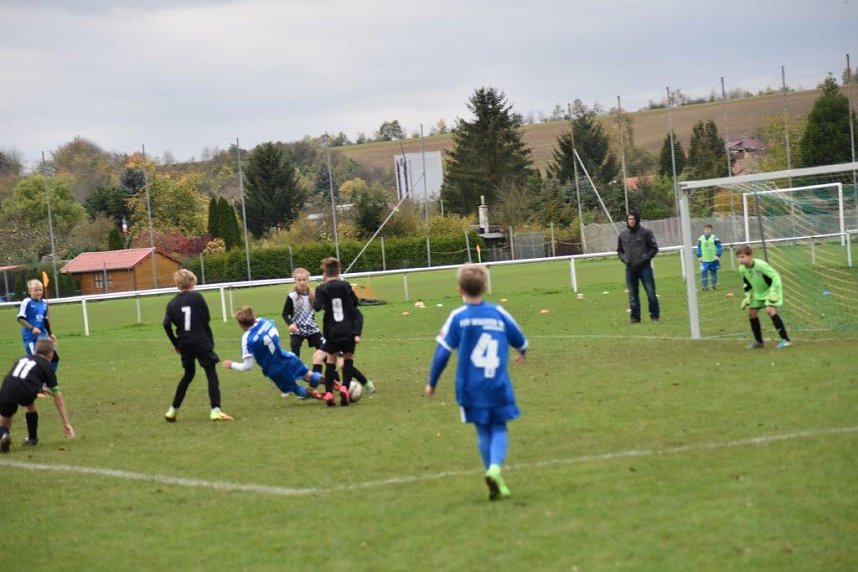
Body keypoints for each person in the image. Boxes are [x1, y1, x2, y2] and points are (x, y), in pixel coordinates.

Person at [425, 264, 528, 501]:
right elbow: (520, 338)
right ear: (486, 287)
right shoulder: (499, 313)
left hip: (470, 387)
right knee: (500, 427)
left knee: (483, 432)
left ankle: (492, 474)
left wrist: (432, 382)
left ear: (459, 289)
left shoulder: (458, 317)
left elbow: (442, 353)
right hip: (497, 384)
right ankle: (495, 470)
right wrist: (522, 351)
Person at [281, 268, 375, 397]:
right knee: (298, 359)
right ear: (295, 281)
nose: (302, 282)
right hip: (298, 331)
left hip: (316, 330)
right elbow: (285, 314)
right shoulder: (292, 297)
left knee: (337, 362)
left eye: (304, 280)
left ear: (308, 280)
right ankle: (302, 387)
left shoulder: (315, 294)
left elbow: (326, 307)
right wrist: (290, 324)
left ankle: (361, 382)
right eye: (299, 280)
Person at [163, 269, 233, 422]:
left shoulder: (172, 303)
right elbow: (206, 318)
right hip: (201, 341)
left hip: (185, 344)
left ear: (178, 285)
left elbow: (166, 324)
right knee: (211, 373)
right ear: (192, 282)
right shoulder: (197, 298)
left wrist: (176, 344)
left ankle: (172, 411)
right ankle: (215, 410)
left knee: (188, 375)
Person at [222, 306, 323, 400]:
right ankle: (334, 385)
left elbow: (247, 366)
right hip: (286, 357)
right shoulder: (263, 321)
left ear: (241, 324)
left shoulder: (247, 338)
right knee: (309, 375)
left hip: (274, 369)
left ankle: (320, 396)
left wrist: (232, 364)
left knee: (295, 389)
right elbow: (274, 331)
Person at [0, 338, 74, 453]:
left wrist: (39, 388)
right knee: (30, 405)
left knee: (5, 418)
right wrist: (66, 423)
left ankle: (4, 435)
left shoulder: (23, 358)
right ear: (50, 354)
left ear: (35, 351)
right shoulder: (47, 367)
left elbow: (22, 376)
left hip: (8, 386)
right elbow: (58, 398)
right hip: (26, 390)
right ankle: (32, 438)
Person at [15, 279, 60, 446]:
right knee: (36, 364)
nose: (38, 292)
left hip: (41, 336)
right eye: (35, 290)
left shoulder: (43, 303)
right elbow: (20, 318)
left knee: (54, 358)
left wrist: (51, 333)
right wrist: (31, 327)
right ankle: (38, 388)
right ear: (30, 291)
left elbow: (45, 321)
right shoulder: (27, 302)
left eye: (40, 289)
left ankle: (44, 385)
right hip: (31, 338)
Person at [313, 257, 363, 407]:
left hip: (331, 332)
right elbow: (356, 302)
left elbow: (316, 307)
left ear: (325, 273)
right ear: (339, 271)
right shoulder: (346, 285)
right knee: (348, 358)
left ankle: (328, 393)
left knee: (330, 360)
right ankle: (344, 388)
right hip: (348, 330)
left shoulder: (321, 288)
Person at [736, 244, 792, 349]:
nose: (740, 260)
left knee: (770, 310)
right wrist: (747, 296)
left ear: (750, 256)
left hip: (771, 289)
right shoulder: (742, 269)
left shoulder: (760, 265)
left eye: (742, 257)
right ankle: (759, 342)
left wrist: (773, 292)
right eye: (738, 257)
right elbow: (746, 283)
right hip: (759, 293)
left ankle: (786, 340)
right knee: (752, 314)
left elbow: (775, 276)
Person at [617, 210, 660, 323]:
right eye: (629, 219)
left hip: (644, 268)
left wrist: (645, 258)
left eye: (633, 219)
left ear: (637, 219)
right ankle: (635, 317)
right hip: (630, 269)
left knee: (650, 293)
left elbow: (654, 248)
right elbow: (620, 251)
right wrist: (624, 259)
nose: (631, 221)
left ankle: (655, 315)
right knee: (632, 295)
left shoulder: (646, 232)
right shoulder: (623, 235)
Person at [696, 223, 723, 291]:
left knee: (713, 273)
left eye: (709, 229)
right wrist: (699, 256)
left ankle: (714, 286)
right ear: (703, 230)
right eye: (706, 229)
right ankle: (704, 287)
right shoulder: (701, 238)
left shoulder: (715, 238)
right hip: (704, 260)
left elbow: (719, 247)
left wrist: (718, 255)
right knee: (704, 273)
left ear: (711, 230)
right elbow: (698, 248)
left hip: (713, 260)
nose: (707, 230)